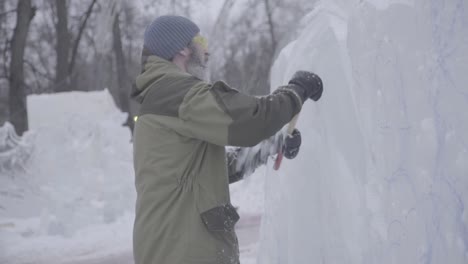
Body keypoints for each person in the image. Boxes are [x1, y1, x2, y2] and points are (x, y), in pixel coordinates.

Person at [131, 15, 323, 264]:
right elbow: (252, 120)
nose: (206, 50)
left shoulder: (161, 97)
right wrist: (295, 92)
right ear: (181, 48)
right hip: (183, 252)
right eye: (200, 40)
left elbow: (211, 169)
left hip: (174, 246)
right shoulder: (176, 93)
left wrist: (271, 146)